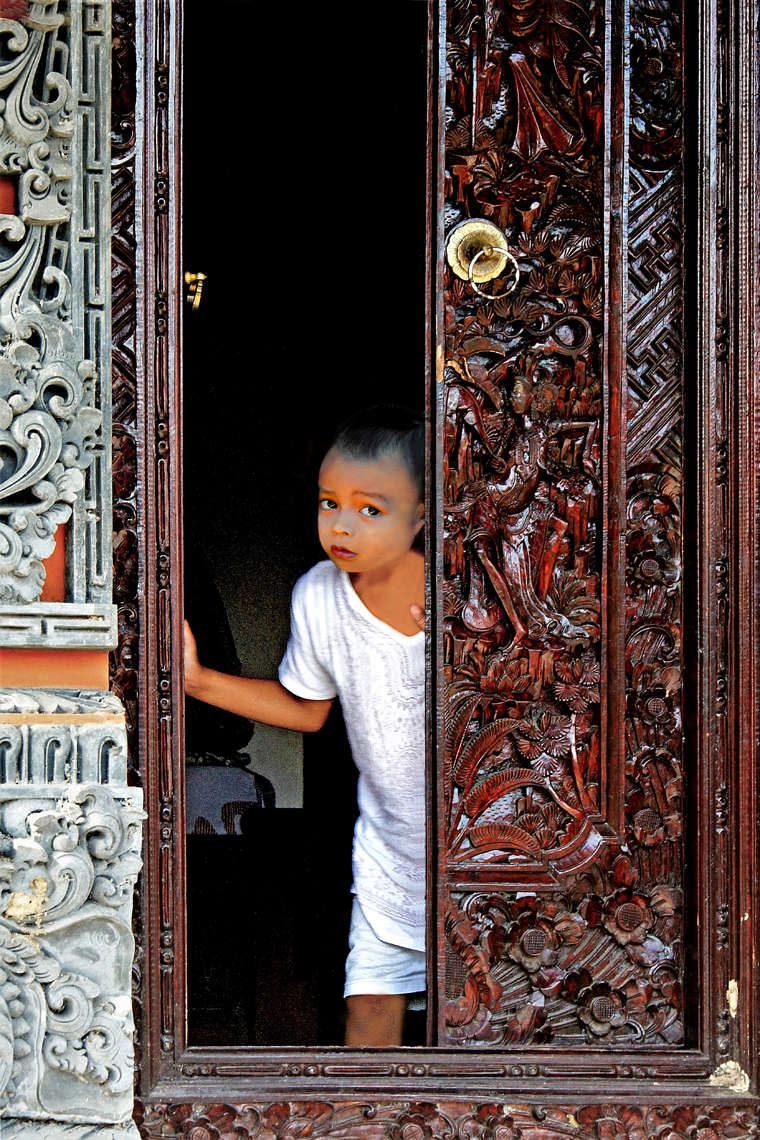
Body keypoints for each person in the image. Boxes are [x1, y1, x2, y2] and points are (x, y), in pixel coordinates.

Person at [183, 404, 426, 1047]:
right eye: (329, 503)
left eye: (370, 509)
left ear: (423, 517)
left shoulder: (457, 593)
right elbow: (306, 710)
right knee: (370, 1016)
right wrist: (198, 680)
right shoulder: (319, 595)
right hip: (389, 846)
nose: (342, 525)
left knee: (493, 1016)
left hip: (481, 846)